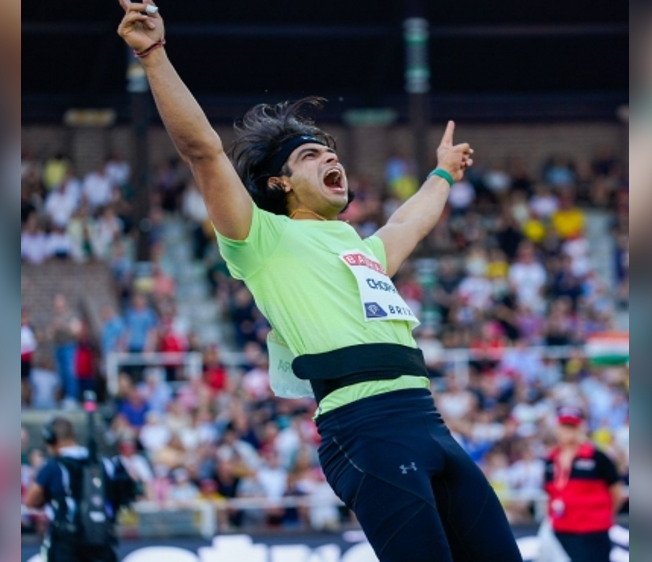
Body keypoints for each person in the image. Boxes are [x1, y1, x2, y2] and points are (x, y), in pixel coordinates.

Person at [115, 3, 523, 560]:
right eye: (311, 155)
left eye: (332, 153)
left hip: (426, 419)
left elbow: (409, 220)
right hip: (363, 427)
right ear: (281, 183)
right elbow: (203, 151)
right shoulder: (261, 240)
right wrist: (153, 55)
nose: (331, 159)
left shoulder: (360, 249)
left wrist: (443, 172)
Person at [24, 416, 136, 562]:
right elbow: (128, 488)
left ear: (51, 439)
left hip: (66, 544)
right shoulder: (104, 463)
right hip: (101, 540)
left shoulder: (54, 466)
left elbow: (30, 501)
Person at [543, 406, 625, 562]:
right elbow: (551, 494)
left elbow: (617, 493)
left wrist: (601, 517)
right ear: (557, 428)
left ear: (581, 428)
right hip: (561, 530)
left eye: (572, 426)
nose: (568, 431)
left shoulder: (598, 458)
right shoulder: (550, 460)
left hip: (593, 532)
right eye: (564, 426)